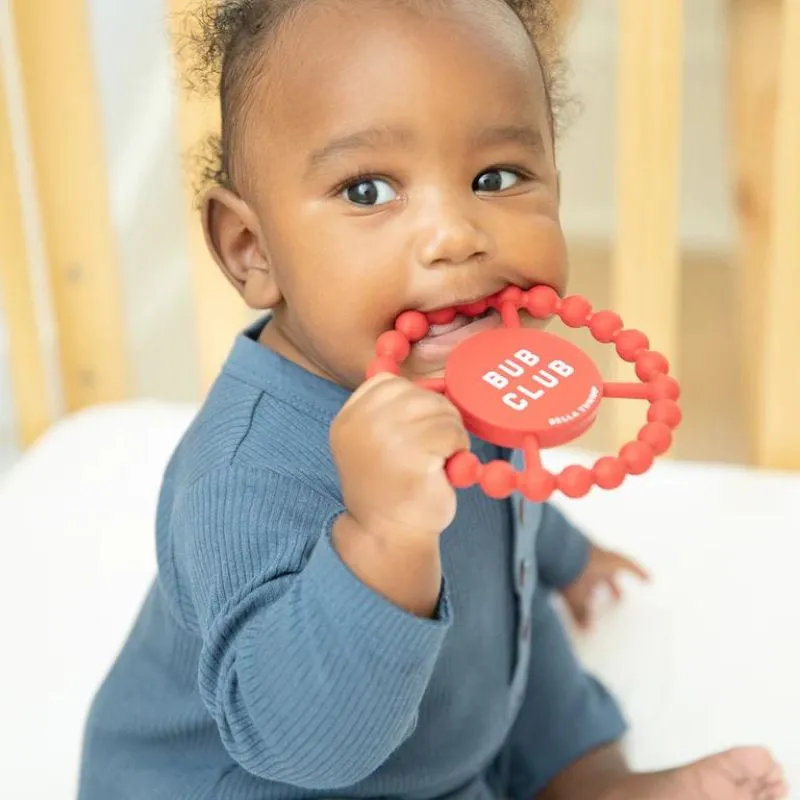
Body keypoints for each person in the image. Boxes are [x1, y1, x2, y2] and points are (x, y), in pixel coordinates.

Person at [77, 1, 787, 798]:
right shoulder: (241, 476)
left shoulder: (461, 361)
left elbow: (509, 503)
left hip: (451, 705)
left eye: (496, 178)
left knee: (532, 645)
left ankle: (595, 780)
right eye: (368, 190)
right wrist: (383, 540)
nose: (455, 234)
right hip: (281, 770)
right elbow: (301, 744)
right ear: (253, 250)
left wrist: (565, 556)